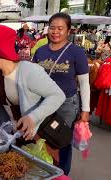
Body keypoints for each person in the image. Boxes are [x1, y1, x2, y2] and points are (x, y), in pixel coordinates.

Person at [33, 13, 90, 175]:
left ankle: (62, 174)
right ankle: (44, 172)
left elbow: (84, 83)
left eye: (60, 28)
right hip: (42, 102)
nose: (55, 32)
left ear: (68, 30)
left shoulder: (76, 52)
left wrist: (85, 111)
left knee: (62, 141)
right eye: (52, 27)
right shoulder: (40, 51)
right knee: (42, 138)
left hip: (66, 105)